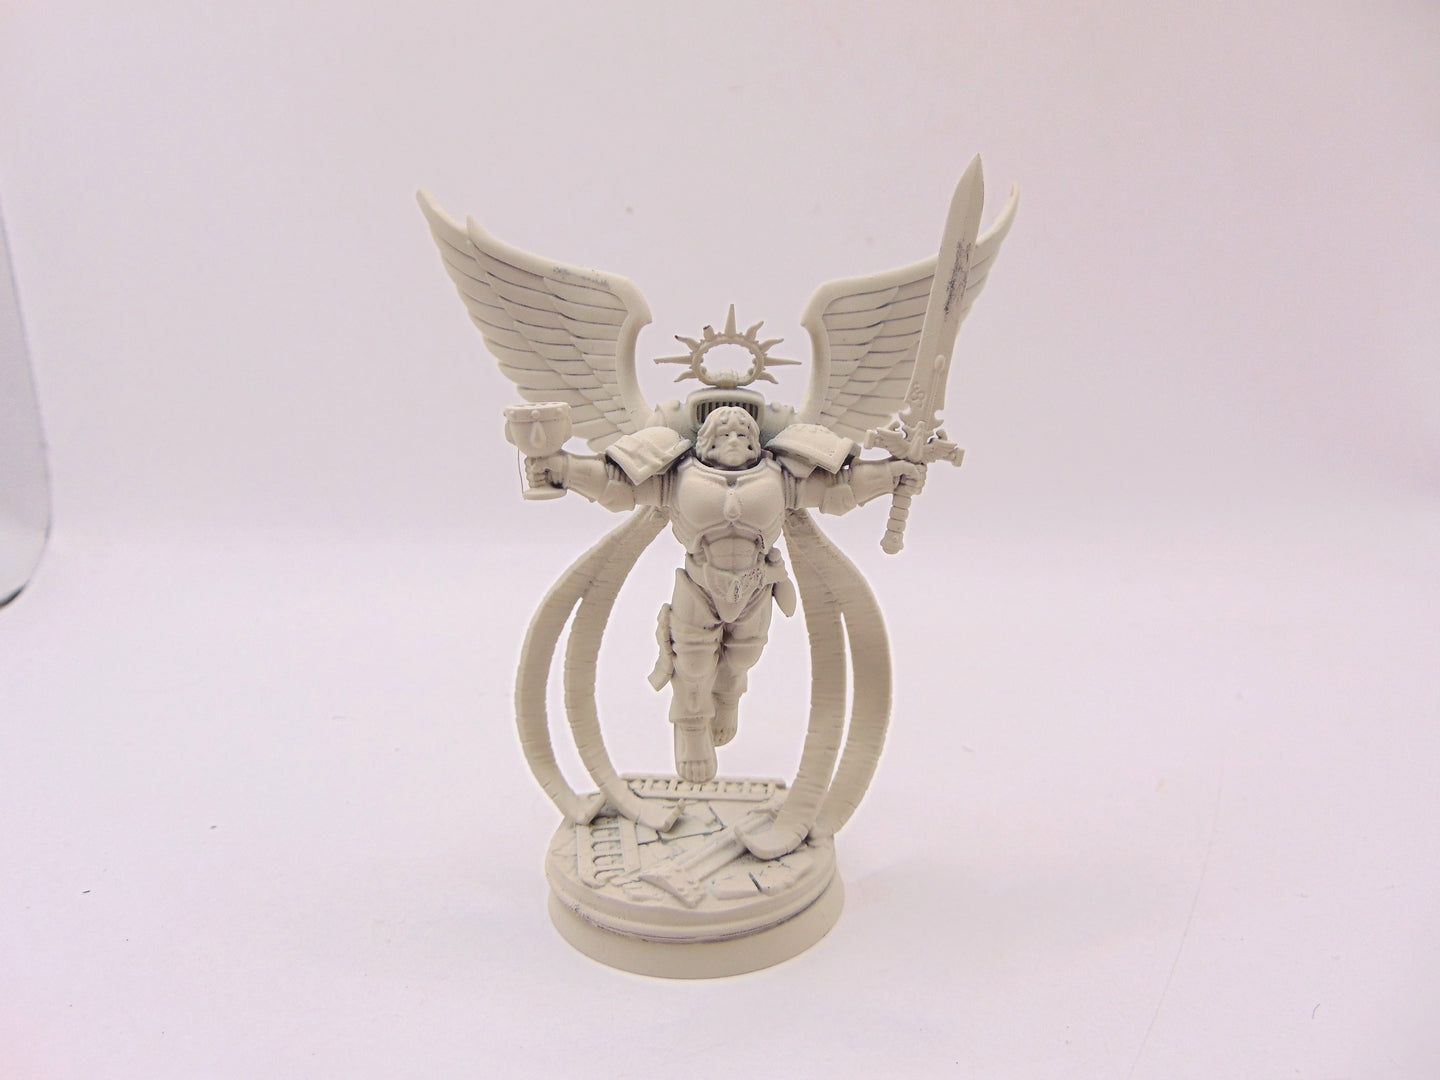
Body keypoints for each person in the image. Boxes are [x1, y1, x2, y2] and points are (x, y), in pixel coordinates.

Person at [526, 406, 922, 781]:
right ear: (705, 442)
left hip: (755, 586)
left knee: (742, 658)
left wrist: (891, 475)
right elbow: (616, 486)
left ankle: (728, 698)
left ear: (755, 442)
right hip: (699, 586)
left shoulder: (781, 477)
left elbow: (838, 491)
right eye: (723, 434)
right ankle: (691, 727)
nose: (734, 440)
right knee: (693, 664)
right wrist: (563, 468)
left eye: (743, 434)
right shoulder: (677, 476)